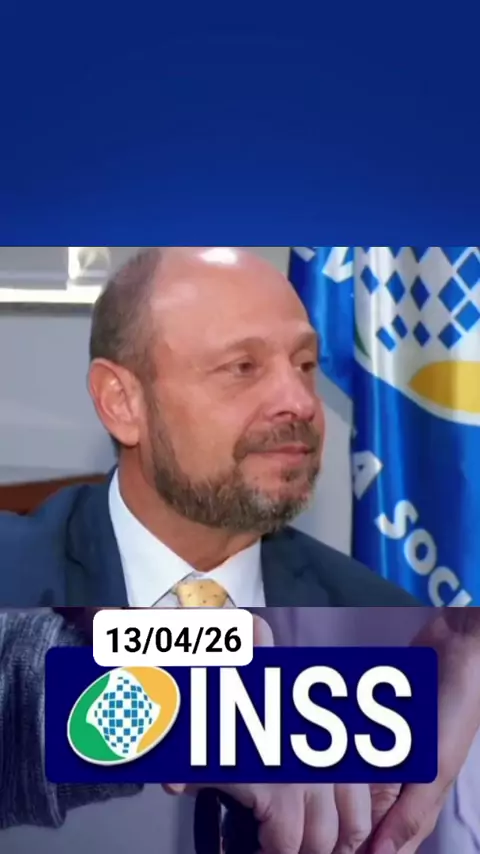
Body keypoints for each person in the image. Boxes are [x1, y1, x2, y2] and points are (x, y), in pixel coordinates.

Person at [0, 247, 416, 607]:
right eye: (243, 367)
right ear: (122, 402)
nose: (301, 403)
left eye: (304, 365)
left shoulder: (385, 627)